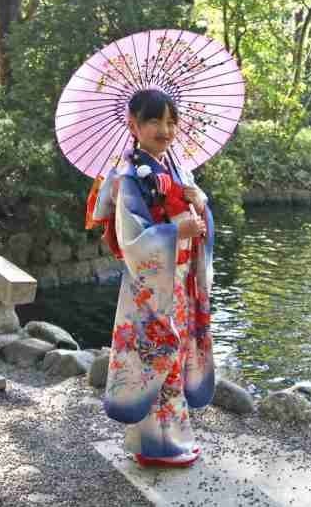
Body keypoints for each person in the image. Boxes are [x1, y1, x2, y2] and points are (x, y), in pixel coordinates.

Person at [87, 88, 215, 468]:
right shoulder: (130, 177)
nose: (165, 129)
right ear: (134, 124)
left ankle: (170, 439)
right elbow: (135, 240)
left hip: (176, 280)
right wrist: (179, 231)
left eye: (171, 121)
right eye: (155, 120)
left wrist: (201, 204)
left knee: (171, 355)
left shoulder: (177, 170)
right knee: (157, 354)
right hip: (150, 285)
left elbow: (198, 221)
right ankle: (156, 444)